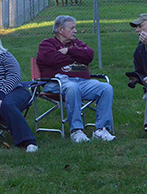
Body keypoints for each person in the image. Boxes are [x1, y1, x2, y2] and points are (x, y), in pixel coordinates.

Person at [36, 15, 115, 143]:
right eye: (72, 28)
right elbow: (52, 59)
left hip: (82, 81)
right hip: (57, 82)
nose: (75, 31)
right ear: (61, 30)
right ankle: (76, 131)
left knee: (106, 88)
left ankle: (101, 129)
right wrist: (78, 56)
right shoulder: (47, 44)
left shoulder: (76, 43)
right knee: (73, 88)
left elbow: (89, 54)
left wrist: (68, 51)